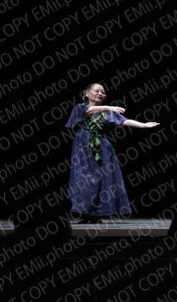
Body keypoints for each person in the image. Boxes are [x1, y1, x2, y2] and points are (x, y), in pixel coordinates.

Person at [66, 83, 159, 222]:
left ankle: (98, 214)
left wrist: (143, 125)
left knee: (103, 179)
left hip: (102, 148)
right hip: (83, 147)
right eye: (96, 91)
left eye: (102, 92)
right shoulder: (80, 108)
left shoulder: (107, 112)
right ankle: (86, 213)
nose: (100, 93)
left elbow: (124, 121)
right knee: (85, 180)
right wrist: (109, 107)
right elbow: (89, 111)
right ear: (87, 93)